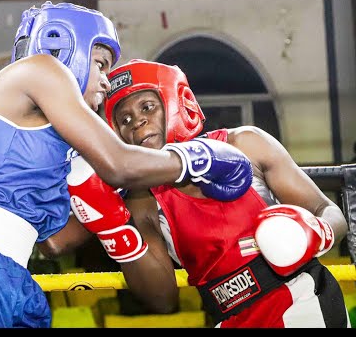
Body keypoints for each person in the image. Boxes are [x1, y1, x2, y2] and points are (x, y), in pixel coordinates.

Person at [0, 3, 252, 328]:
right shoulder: (40, 70)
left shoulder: (59, 142)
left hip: (7, 272)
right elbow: (120, 164)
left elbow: (57, 241)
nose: (106, 81)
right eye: (101, 64)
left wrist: (112, 214)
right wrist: (198, 159)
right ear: (64, 46)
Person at [67, 59, 351, 328]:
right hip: (227, 318)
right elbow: (162, 299)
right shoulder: (143, 200)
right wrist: (114, 229)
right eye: (125, 119)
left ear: (175, 103)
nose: (137, 122)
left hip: (301, 302)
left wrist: (314, 233)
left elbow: (330, 212)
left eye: (147, 107)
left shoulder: (246, 144)